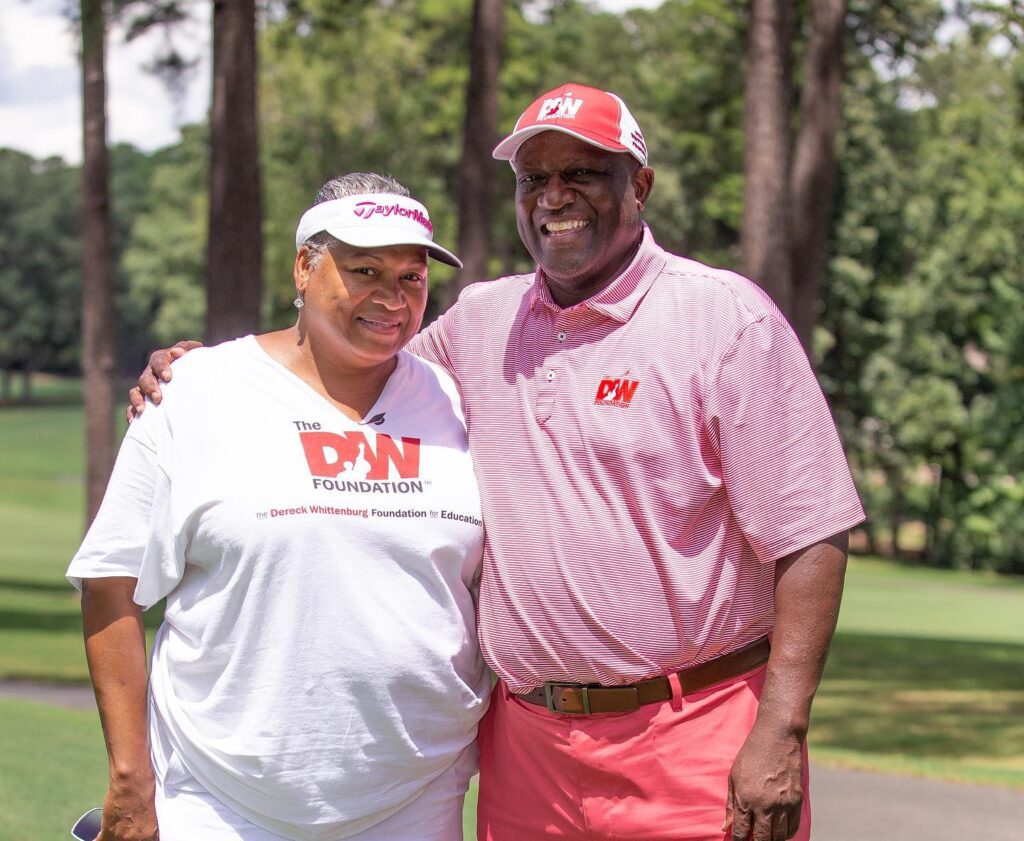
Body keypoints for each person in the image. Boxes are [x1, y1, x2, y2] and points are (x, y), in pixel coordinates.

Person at [132, 83, 865, 841]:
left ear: (638, 186)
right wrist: (213, 369)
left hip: (696, 735)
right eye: (533, 178)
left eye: (581, 173)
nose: (554, 197)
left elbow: (811, 537)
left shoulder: (726, 319)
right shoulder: (482, 319)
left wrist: (782, 729)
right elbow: (343, 367)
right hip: (528, 749)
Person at [70, 173, 489, 841]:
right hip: (221, 803)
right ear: (304, 265)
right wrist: (129, 779)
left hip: (415, 799)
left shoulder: (460, 400)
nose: (392, 297)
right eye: (364, 269)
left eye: (412, 278)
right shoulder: (199, 392)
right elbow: (110, 582)